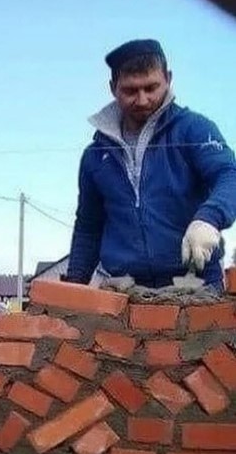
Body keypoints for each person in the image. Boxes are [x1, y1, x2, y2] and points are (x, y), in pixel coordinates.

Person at [65, 39, 236, 291]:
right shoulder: (96, 155)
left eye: (151, 87)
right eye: (131, 90)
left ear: (168, 79)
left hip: (195, 286)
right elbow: (89, 228)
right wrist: (74, 286)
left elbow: (228, 175)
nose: (143, 100)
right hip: (124, 291)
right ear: (113, 88)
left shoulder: (194, 130)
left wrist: (209, 218)